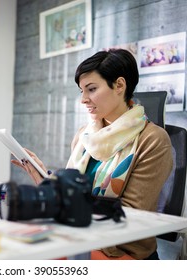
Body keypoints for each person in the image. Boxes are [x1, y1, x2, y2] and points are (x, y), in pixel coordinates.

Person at [11, 49, 173, 260]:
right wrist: (44, 179)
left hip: (119, 249)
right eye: (82, 91)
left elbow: (130, 215)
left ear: (120, 85)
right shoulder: (84, 135)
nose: (83, 100)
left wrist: (64, 200)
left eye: (92, 89)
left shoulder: (152, 140)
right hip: (77, 234)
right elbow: (75, 193)